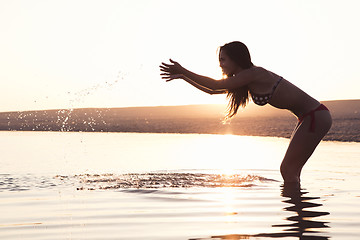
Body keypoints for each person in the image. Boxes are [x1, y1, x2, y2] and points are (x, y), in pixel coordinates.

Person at [159, 41, 332, 184]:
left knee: (288, 170)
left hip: (315, 116)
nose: (220, 64)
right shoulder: (244, 80)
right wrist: (183, 78)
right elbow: (212, 91)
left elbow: (215, 85)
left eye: (223, 59)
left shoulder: (254, 74)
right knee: (290, 170)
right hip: (308, 117)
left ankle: (299, 214)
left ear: (236, 59)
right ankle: (298, 213)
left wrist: (183, 70)